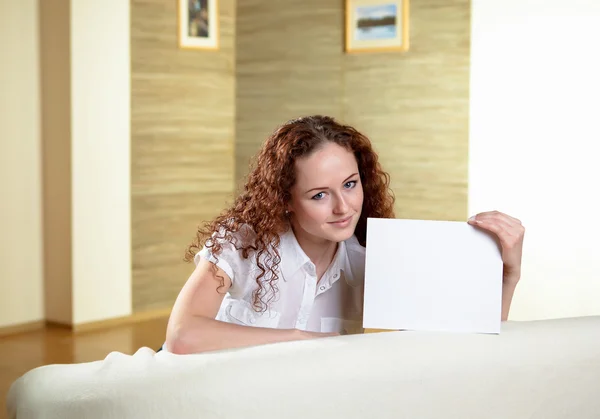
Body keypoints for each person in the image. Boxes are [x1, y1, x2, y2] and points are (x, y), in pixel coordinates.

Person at [164, 115, 525, 355]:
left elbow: (465, 341)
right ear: (285, 200)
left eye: (350, 185)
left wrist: (508, 276)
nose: (344, 207)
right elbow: (181, 336)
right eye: (319, 194)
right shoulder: (243, 242)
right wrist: (297, 340)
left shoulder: (374, 258)